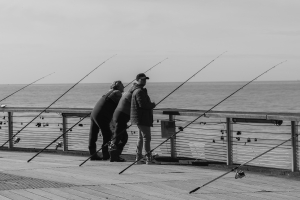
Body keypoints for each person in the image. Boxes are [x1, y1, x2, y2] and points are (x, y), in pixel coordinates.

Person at [88, 80, 124, 160]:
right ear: (118, 87)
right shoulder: (117, 93)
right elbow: (121, 106)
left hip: (94, 113)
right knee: (107, 134)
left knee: (93, 135)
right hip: (102, 115)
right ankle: (106, 154)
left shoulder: (109, 92)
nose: (123, 86)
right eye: (122, 85)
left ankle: (92, 154)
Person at [130, 73, 156, 164]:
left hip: (139, 118)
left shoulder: (136, 90)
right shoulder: (139, 91)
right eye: (142, 79)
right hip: (142, 118)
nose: (144, 81)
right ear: (137, 80)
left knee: (141, 138)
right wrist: (152, 105)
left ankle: (138, 157)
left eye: (145, 79)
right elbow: (143, 105)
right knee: (146, 138)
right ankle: (148, 158)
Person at [109, 82, 138, 162]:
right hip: (120, 118)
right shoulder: (130, 95)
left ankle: (115, 155)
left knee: (119, 137)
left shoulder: (125, 94)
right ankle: (114, 155)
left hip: (117, 117)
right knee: (119, 137)